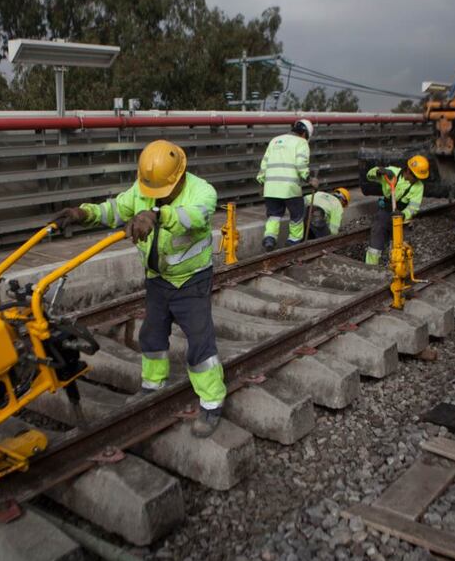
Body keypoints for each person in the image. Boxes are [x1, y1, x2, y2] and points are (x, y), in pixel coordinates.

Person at [54, 140, 226, 438]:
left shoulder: (203, 192)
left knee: (200, 343)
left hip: (191, 281)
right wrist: (84, 214)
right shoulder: (143, 188)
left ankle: (212, 402)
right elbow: (116, 209)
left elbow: (194, 216)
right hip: (157, 280)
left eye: (162, 193)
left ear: (180, 176)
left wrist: (157, 216)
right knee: (152, 334)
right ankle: (153, 384)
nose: (154, 198)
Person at [257, 119, 318, 251]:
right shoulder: (301, 142)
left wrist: (262, 181)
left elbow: (264, 163)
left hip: (271, 187)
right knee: (297, 214)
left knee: (273, 215)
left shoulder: (275, 140)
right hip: (290, 188)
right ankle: (293, 242)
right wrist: (309, 179)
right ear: (305, 134)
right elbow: (301, 163)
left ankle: (269, 238)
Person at [363, 155, 430, 265]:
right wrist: (379, 172)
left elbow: (414, 208)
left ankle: (395, 269)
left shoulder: (419, 186)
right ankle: (370, 267)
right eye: (416, 177)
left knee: (399, 246)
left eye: (419, 178)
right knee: (376, 242)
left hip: (401, 217)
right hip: (385, 212)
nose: (417, 180)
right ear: (408, 171)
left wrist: (403, 215)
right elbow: (369, 176)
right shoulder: (393, 172)